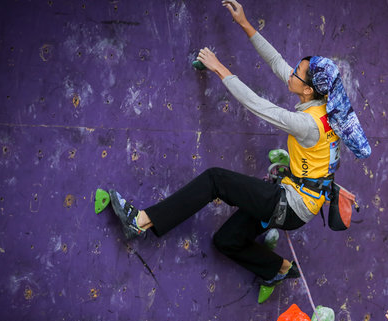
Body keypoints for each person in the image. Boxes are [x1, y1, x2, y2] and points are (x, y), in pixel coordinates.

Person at [108, 0, 369, 288]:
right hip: (293, 197)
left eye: (297, 73)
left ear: (307, 89)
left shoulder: (308, 124)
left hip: (291, 205)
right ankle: (278, 268)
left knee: (215, 180)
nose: (290, 72)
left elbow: (257, 105)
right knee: (226, 240)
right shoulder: (322, 104)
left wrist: (219, 67)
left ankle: (140, 221)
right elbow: (277, 63)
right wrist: (244, 23)